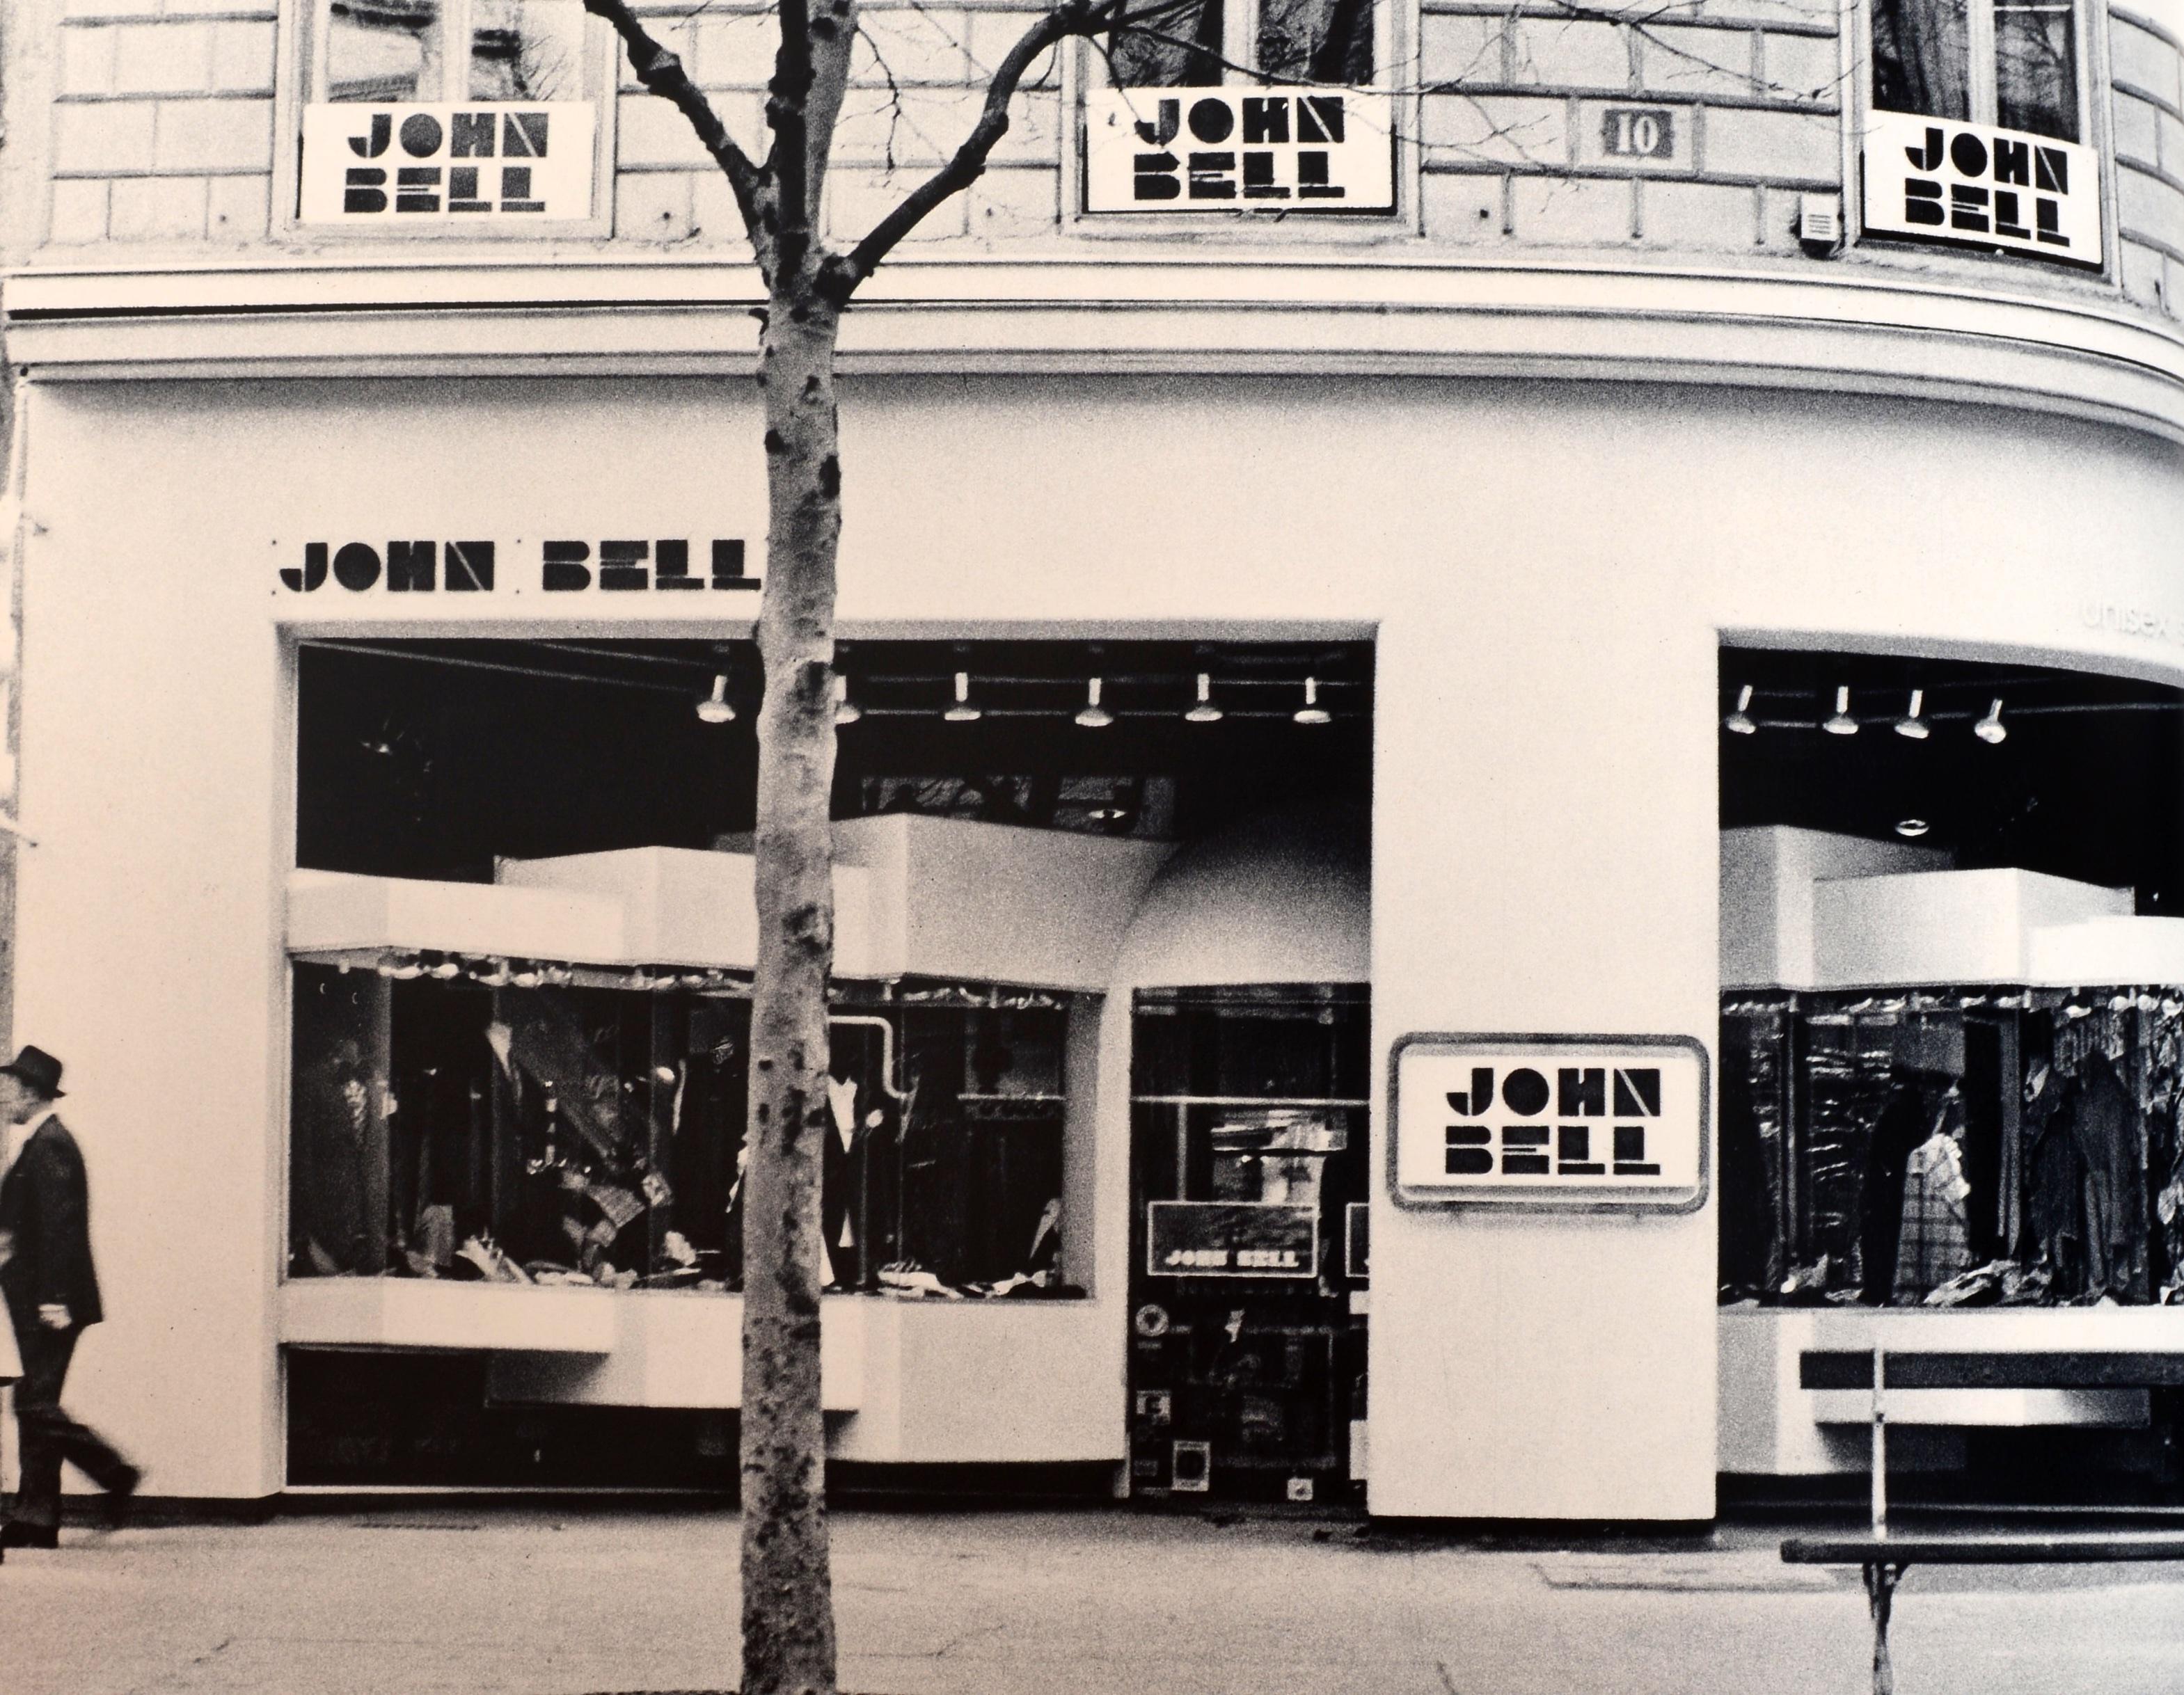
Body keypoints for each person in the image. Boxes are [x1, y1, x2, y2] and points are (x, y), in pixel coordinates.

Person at [0, 1044, 139, 1550]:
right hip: (37, 1299)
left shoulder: (52, 1144)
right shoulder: (40, 1142)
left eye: (10, 1088)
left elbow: (63, 1229)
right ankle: (36, 1520)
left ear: (32, 1094)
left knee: (33, 1403)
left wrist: (57, 1297)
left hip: (50, 1303)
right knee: (35, 1403)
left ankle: (114, 1472)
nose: (3, 1096)